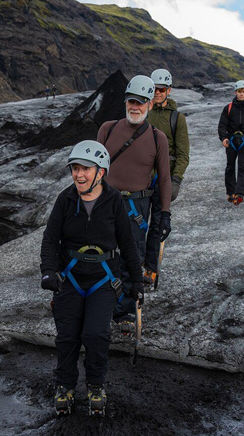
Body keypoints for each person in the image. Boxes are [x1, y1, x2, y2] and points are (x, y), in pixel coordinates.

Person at [40, 141, 143, 416]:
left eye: (85, 168)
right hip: (70, 279)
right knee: (67, 337)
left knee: (96, 334)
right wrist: (49, 271)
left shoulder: (114, 202)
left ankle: (96, 385)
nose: (79, 174)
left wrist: (136, 282)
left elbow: (128, 243)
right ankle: (65, 385)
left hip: (103, 280)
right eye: (75, 168)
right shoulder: (65, 200)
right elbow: (51, 239)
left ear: (101, 171)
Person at [97, 75, 171, 330]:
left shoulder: (157, 137)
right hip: (105, 203)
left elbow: (164, 179)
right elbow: (95, 170)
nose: (135, 107)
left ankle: (124, 314)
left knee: (130, 261)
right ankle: (101, 308)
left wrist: (165, 214)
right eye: (131, 101)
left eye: (140, 102)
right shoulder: (107, 129)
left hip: (136, 209)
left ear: (150, 104)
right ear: (125, 102)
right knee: (101, 258)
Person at [145, 68, 190, 285]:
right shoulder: (142, 111)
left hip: (163, 179)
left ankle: (150, 268)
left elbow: (182, 154)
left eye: (161, 89)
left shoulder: (177, 118)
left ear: (169, 90)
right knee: (136, 224)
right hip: (140, 178)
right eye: (154, 88)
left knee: (156, 225)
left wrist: (176, 180)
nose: (157, 93)